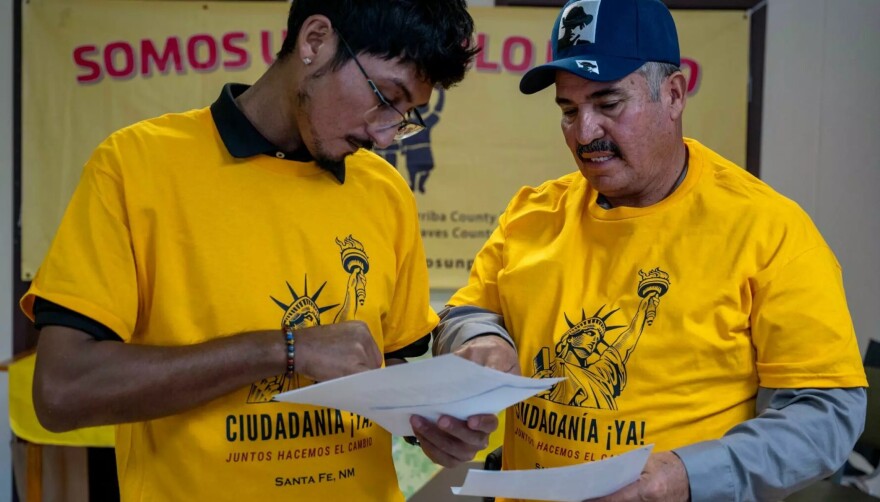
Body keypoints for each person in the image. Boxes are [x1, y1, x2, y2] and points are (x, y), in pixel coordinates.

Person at [21, 1, 498, 500]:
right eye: (384, 96)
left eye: (404, 116)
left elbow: (383, 370)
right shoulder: (135, 167)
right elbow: (61, 393)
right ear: (315, 41)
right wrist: (284, 349)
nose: (384, 134)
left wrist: (434, 423)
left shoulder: (384, 190)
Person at [432, 0, 868, 500]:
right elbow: (467, 311)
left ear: (675, 94)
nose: (585, 133)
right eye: (569, 110)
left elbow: (826, 415)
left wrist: (688, 475)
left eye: (609, 103)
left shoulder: (769, 230)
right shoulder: (532, 213)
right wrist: (481, 343)